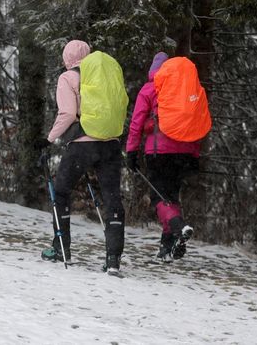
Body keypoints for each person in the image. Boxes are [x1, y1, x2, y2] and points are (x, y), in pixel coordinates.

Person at [35, 40, 125, 274]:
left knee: (61, 192)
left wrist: (49, 138)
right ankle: (113, 259)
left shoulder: (68, 78)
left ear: (67, 58)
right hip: (111, 144)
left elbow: (66, 114)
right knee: (113, 199)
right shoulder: (105, 75)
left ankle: (61, 248)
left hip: (82, 145)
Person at [125, 52, 197, 262]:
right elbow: (197, 121)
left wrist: (131, 151)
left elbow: (137, 123)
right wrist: (194, 153)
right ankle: (168, 247)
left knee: (159, 198)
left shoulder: (150, 88)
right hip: (184, 151)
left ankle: (177, 227)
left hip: (159, 152)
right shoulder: (184, 90)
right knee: (172, 197)